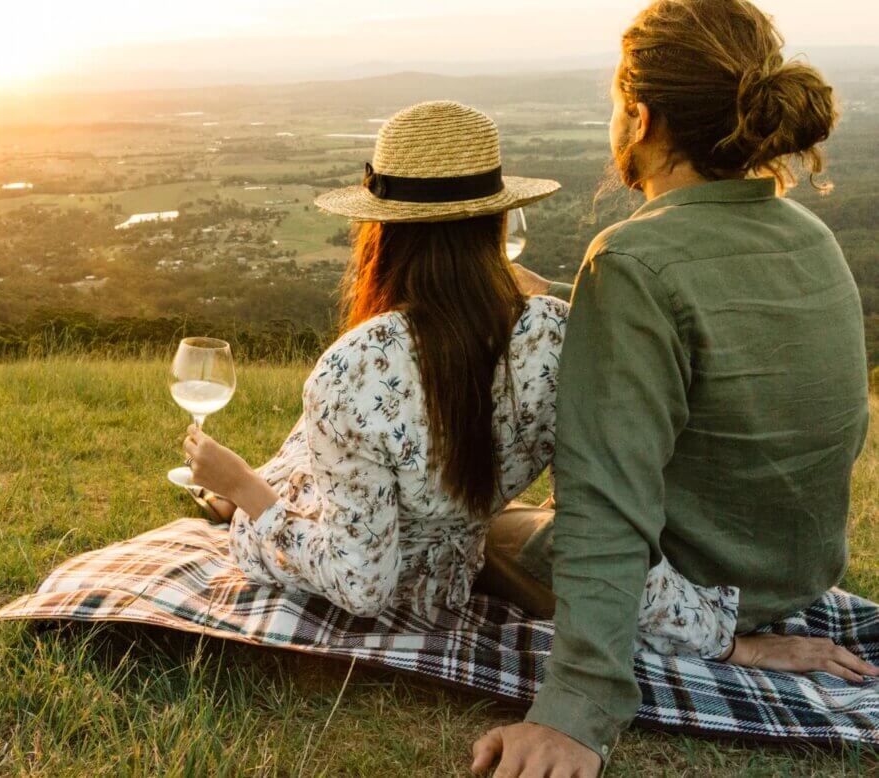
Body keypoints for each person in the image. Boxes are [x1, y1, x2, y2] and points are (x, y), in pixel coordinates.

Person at [183, 100, 752, 664]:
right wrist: (723, 640)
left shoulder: (354, 366)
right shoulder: (559, 336)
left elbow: (360, 585)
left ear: (384, 230)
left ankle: (231, 497)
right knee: (304, 456)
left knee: (271, 477)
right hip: (446, 581)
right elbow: (604, 527)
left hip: (354, 553)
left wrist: (244, 490)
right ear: (495, 220)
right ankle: (240, 493)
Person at [470, 1, 876, 775]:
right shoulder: (809, 234)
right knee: (512, 518)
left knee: (469, 528)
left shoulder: (630, 258)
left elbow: (605, 502)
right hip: (787, 574)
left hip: (701, 591)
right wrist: (560, 294)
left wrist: (575, 712)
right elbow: (726, 335)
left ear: (641, 116)